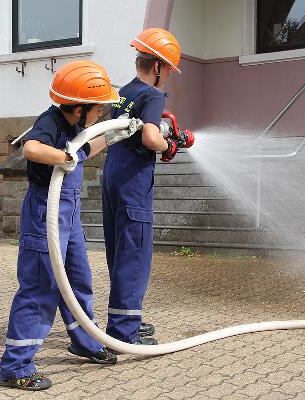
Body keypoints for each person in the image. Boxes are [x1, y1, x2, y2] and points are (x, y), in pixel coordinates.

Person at [0, 60, 133, 391]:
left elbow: (83, 149)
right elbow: (32, 148)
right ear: (79, 106)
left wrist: (112, 136)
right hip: (45, 212)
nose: (101, 113)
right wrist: (64, 158)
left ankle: (85, 342)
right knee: (41, 285)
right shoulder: (51, 121)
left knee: (78, 279)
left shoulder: (75, 124)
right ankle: (16, 366)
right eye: (98, 108)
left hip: (68, 215)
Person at [101, 28, 182, 347]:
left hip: (113, 176)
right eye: (168, 69)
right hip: (133, 182)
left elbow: (127, 131)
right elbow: (150, 137)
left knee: (119, 251)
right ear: (158, 66)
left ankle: (125, 318)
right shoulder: (152, 95)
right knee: (134, 254)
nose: (169, 76)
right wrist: (169, 145)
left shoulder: (125, 92)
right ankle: (124, 332)